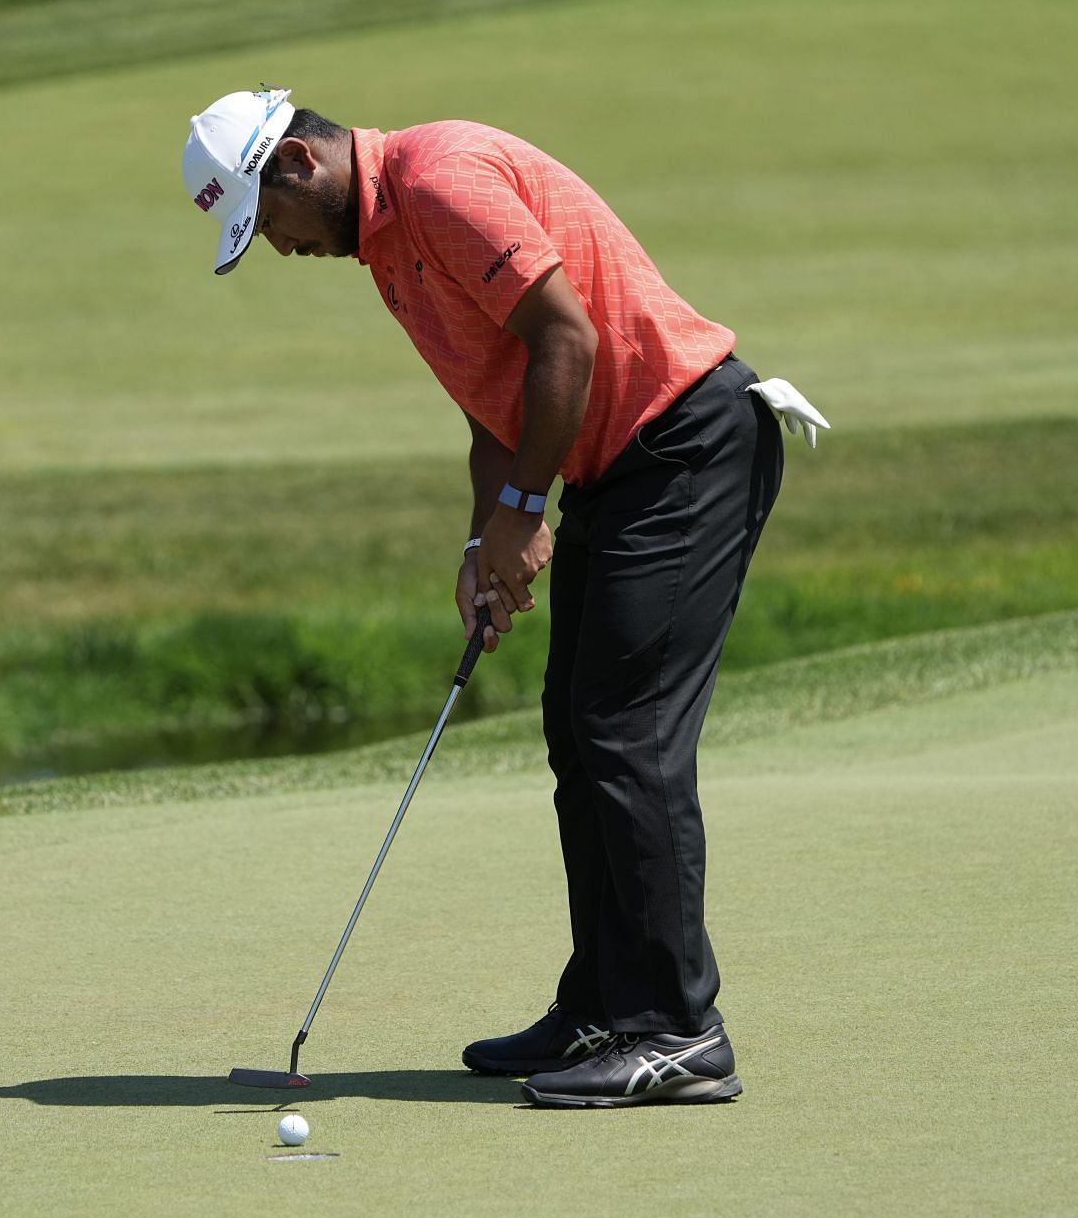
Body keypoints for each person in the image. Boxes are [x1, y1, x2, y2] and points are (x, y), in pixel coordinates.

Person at [181, 87, 826, 1107]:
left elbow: (564, 335)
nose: (280, 248)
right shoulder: (388, 250)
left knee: (626, 729)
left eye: (268, 223)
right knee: (579, 727)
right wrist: (488, 539)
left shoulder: (440, 180)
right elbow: (499, 401)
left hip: (687, 443)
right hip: (622, 468)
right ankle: (608, 1002)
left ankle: (677, 1030)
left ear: (300, 164)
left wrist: (527, 511)